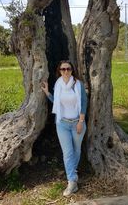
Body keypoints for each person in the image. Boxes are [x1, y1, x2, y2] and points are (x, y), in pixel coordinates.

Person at [41, 60, 87, 197]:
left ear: (72, 70)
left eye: (68, 69)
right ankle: (72, 181)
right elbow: (56, 102)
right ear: (59, 71)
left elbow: (84, 103)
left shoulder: (78, 85)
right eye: (63, 69)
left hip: (77, 123)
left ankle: (73, 173)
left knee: (77, 150)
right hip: (62, 124)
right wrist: (47, 93)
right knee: (67, 153)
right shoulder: (58, 85)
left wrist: (81, 121)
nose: (66, 71)